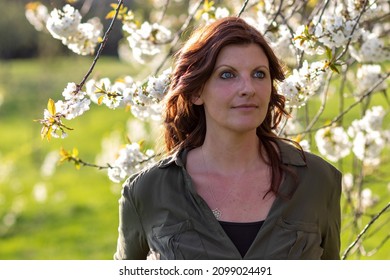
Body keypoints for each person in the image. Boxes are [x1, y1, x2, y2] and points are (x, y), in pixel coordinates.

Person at [114, 16, 342, 260]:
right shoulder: (146, 191)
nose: (248, 88)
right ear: (197, 92)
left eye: (259, 74)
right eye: (227, 75)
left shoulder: (318, 181)